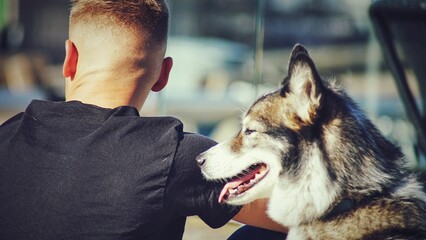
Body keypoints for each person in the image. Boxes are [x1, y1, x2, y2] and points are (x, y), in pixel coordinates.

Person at [0, 1, 287, 239]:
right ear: (163, 75)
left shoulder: (8, 137)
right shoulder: (175, 153)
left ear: (69, 59)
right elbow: (299, 217)